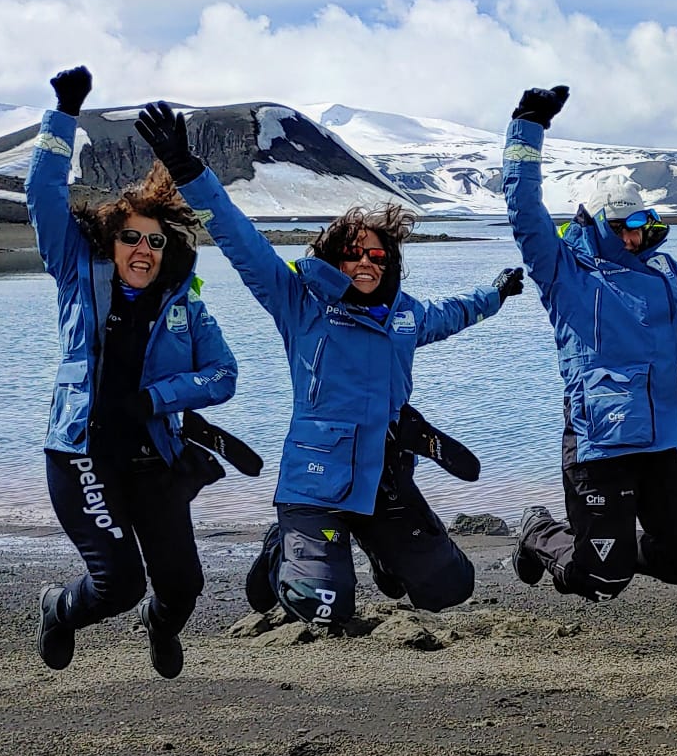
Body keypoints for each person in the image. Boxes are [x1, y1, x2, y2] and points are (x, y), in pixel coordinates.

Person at [132, 101, 522, 626]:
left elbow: (455, 313)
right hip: (315, 483)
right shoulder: (300, 304)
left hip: (382, 478)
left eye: (378, 256)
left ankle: (383, 551)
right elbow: (237, 238)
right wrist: (188, 172)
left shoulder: (404, 317)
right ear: (336, 257)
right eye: (354, 254)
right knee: (323, 606)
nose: (366, 263)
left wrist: (495, 294)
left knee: (449, 589)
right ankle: (281, 550)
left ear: (392, 263)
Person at [501, 85, 677, 600]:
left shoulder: (663, 268)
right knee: (601, 581)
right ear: (595, 225)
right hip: (601, 443)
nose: (632, 237)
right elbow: (523, 208)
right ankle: (538, 533)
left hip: (664, 438)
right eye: (620, 227)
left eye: (639, 225)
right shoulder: (564, 271)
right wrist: (527, 125)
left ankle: (608, 549)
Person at [27, 66, 238, 679]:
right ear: (111, 241)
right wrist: (63, 113)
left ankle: (159, 623)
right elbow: (42, 197)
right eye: (130, 239)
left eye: (153, 242)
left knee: (183, 587)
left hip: (153, 458)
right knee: (116, 584)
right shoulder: (76, 274)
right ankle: (58, 610)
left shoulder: (186, 305)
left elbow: (223, 375)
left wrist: (153, 399)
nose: (142, 251)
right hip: (81, 454)